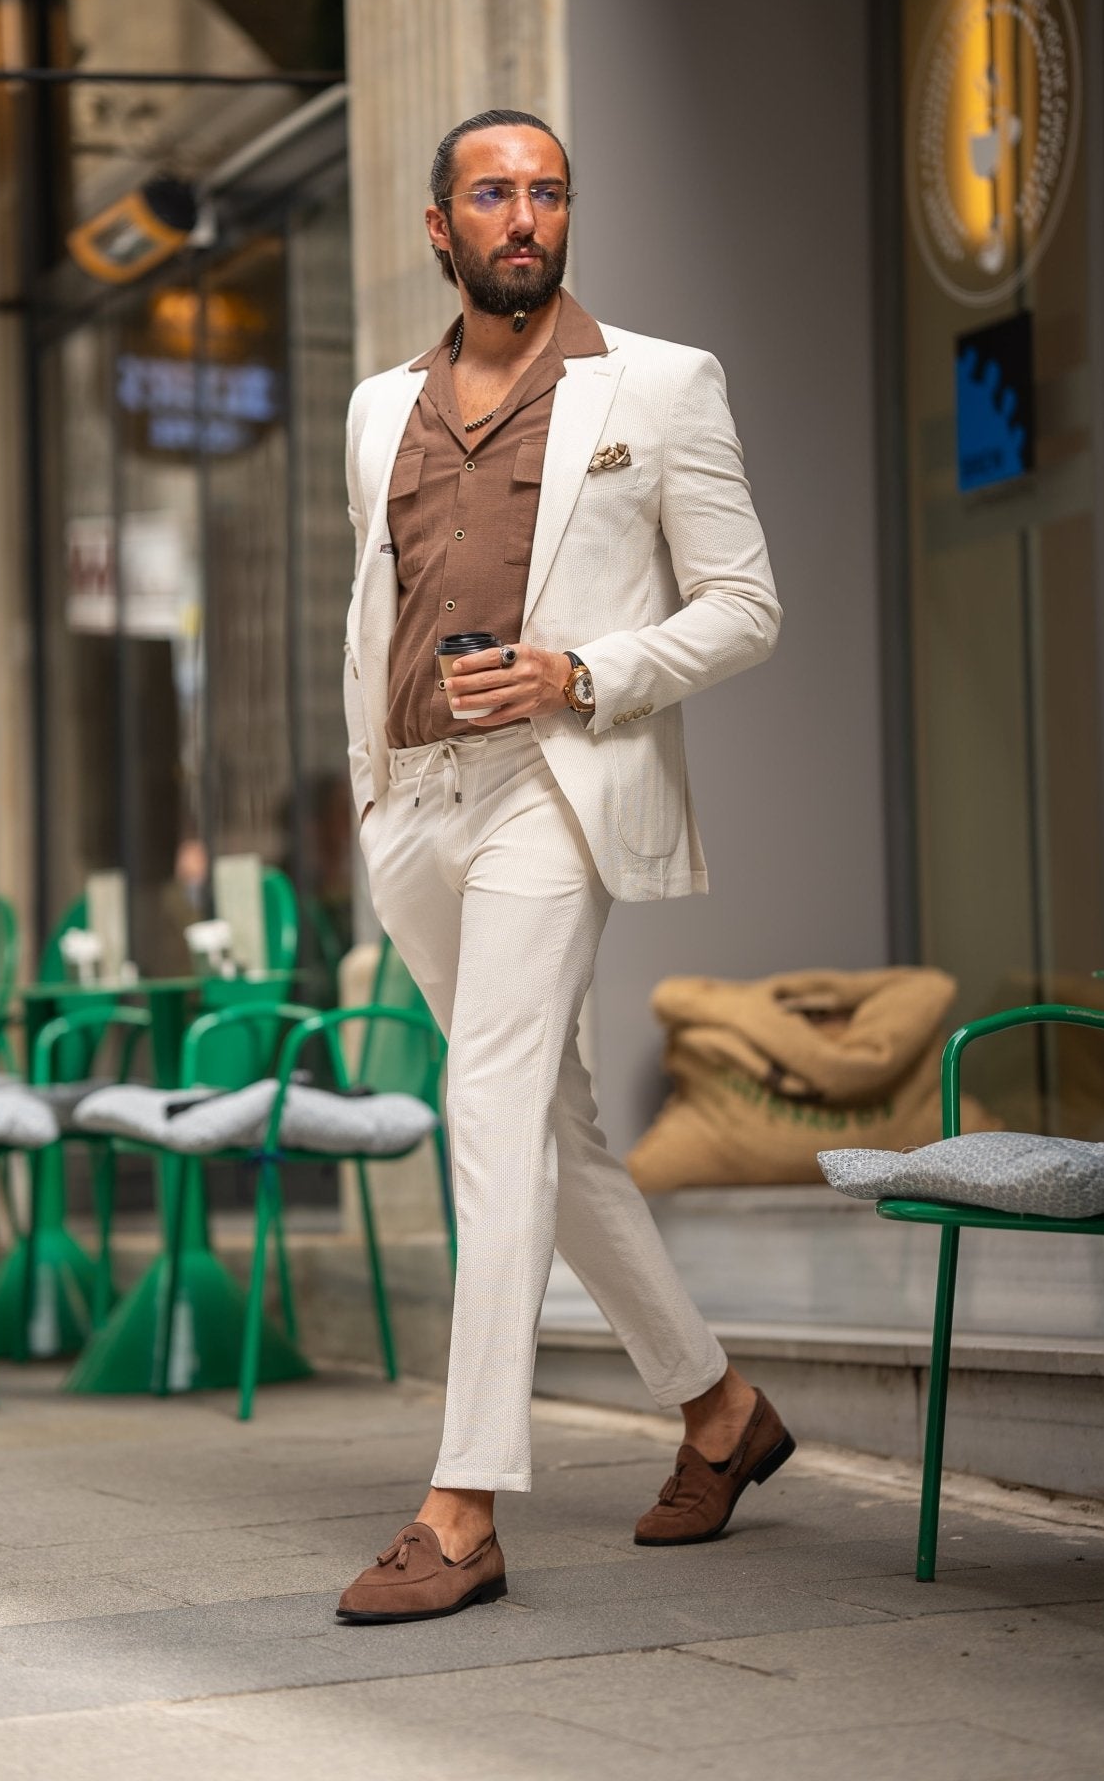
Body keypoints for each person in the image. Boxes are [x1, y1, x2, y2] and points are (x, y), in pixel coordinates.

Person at [337, 109, 789, 1625]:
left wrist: (580, 672)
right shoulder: (376, 408)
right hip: (415, 801)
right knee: (553, 1119)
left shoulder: (658, 384)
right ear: (440, 226)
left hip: (552, 781)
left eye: (547, 192)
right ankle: (720, 1412)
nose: (524, 215)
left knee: (489, 1108)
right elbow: (376, 604)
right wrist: (373, 791)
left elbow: (745, 605)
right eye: (492, 193)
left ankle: (463, 1505)